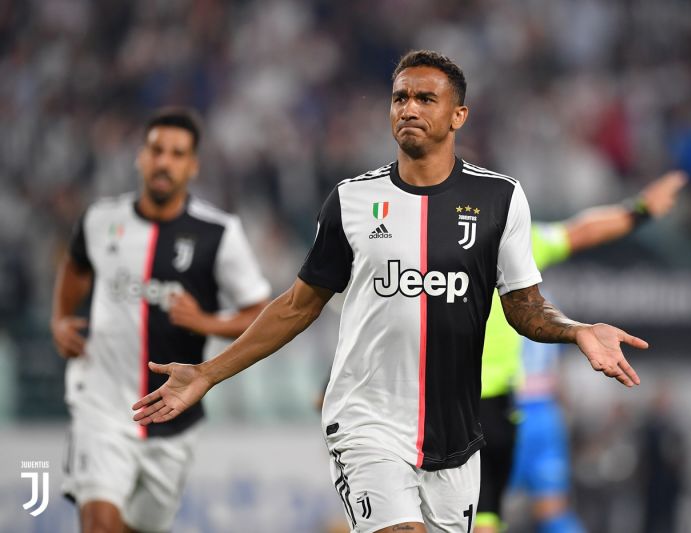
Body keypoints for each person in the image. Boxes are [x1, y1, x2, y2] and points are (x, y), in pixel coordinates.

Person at [132, 50, 647, 533]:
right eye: (400, 97)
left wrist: (576, 331)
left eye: (426, 99)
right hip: (367, 422)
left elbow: (524, 308)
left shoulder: (500, 199)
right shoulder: (352, 201)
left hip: (457, 437)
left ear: (459, 116)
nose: (409, 108)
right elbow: (296, 306)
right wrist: (208, 373)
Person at [51, 107, 272, 533]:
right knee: (99, 523)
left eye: (177, 153)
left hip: (172, 414)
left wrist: (205, 322)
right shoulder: (100, 220)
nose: (164, 162)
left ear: (193, 166)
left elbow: (261, 312)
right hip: (101, 405)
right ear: (141, 157)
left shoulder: (219, 233)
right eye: (156, 150)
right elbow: (75, 267)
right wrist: (60, 319)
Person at [475, 172, 686, 533]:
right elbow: (581, 231)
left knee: (479, 516)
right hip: (538, 412)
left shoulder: (446, 253)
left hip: (478, 408)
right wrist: (638, 211)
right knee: (550, 512)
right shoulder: (520, 244)